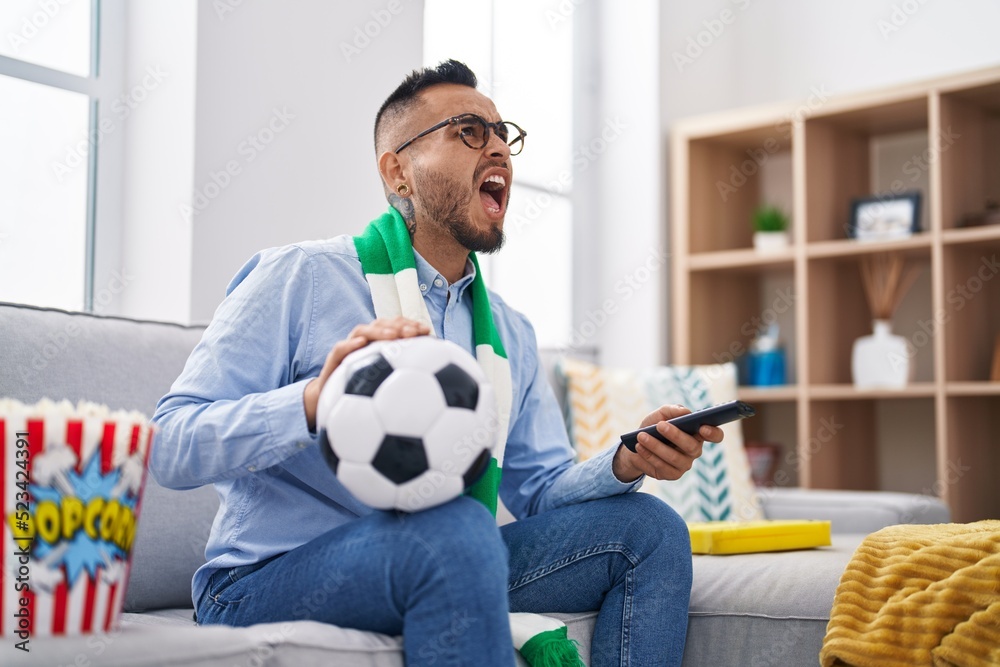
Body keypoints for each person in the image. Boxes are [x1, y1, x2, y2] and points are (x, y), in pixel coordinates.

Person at [150, 59, 722, 667]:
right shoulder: (302, 278)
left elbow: (541, 491)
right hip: (264, 582)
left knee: (650, 529)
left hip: (445, 547)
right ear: (398, 171)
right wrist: (315, 400)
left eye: (504, 134)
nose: (499, 148)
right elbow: (168, 445)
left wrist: (626, 460)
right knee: (454, 532)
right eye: (469, 132)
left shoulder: (510, 333)